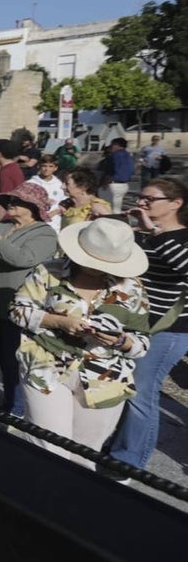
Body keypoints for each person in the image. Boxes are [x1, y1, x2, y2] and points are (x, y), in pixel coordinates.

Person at [10, 218, 150, 468]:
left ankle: (69, 493)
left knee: (85, 456)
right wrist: (57, 321)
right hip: (46, 366)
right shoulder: (49, 272)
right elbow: (17, 310)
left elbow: (142, 341)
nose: (97, 269)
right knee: (49, 447)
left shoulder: (132, 287)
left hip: (105, 377)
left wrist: (122, 341)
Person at [109, 178, 188, 474]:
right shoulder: (144, 234)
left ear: (175, 203)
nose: (141, 203)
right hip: (135, 325)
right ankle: (117, 443)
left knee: (141, 392)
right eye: (141, 197)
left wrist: (153, 232)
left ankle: (129, 461)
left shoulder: (181, 237)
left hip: (168, 330)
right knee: (122, 385)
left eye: (149, 199)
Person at [0, 182, 58, 416]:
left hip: (20, 306)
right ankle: (9, 403)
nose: (11, 204)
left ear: (33, 207)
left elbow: (22, 258)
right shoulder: (5, 225)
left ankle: (17, 410)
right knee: (3, 356)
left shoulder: (44, 233)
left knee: (16, 359)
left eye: (17, 201)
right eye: (11, 200)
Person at [27, 154, 66, 233]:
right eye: (44, 166)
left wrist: (56, 211)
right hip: (35, 221)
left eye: (50, 166)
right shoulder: (31, 183)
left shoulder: (59, 184)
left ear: (55, 168)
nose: (47, 169)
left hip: (54, 223)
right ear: (39, 166)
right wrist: (41, 200)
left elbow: (63, 201)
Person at [98, 137, 134, 213]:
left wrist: (104, 182)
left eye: (112, 145)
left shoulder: (114, 156)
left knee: (107, 208)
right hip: (124, 185)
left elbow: (110, 171)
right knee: (117, 208)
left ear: (116, 145)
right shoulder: (128, 156)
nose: (111, 146)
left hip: (112, 184)